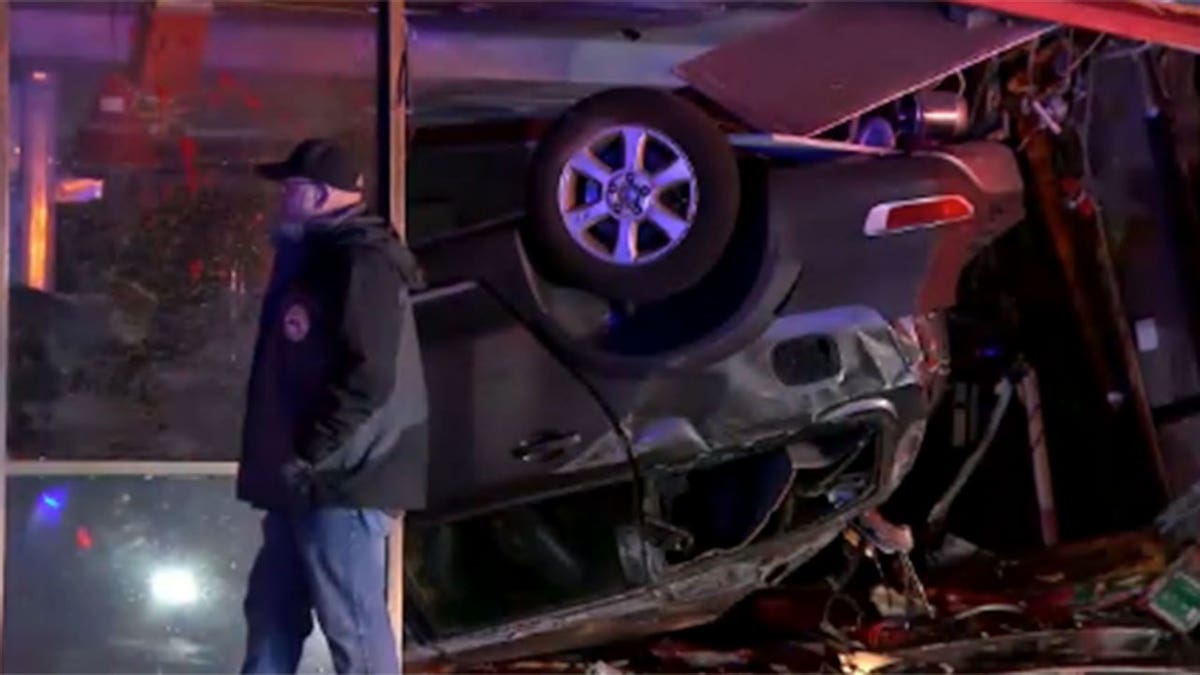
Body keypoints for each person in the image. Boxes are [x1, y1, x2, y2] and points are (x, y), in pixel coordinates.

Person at [237, 138, 427, 674]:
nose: (282, 199)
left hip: (340, 482)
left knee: (352, 626)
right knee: (273, 613)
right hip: (311, 481)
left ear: (318, 194)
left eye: (291, 189)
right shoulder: (322, 260)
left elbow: (370, 374)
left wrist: (310, 449)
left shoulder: (359, 263)